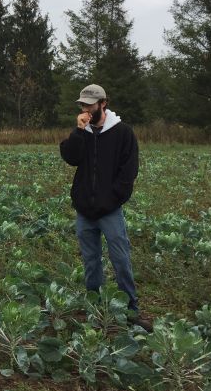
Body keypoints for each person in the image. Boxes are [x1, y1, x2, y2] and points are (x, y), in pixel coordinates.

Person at [59, 84, 151, 330]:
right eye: (83, 105)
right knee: (91, 261)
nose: (86, 109)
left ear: (103, 104)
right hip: (84, 211)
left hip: (109, 210)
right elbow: (70, 158)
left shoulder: (122, 133)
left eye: (90, 104)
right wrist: (79, 131)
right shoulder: (83, 132)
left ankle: (131, 310)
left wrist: (112, 199)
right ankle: (95, 307)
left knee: (121, 259)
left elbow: (129, 172)